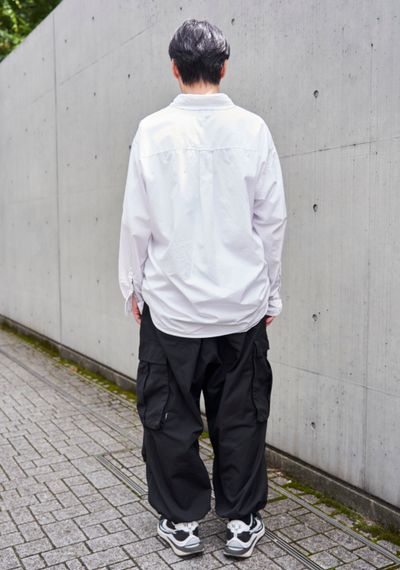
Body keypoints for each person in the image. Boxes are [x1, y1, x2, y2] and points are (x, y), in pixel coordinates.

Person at [118, 18, 287, 559]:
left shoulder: (152, 131)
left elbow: (136, 222)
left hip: (172, 309)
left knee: (169, 416)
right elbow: (271, 222)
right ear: (224, 67)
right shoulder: (253, 129)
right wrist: (271, 293)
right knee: (241, 416)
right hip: (241, 308)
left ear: (174, 68)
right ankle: (242, 521)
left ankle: (182, 520)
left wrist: (132, 287)